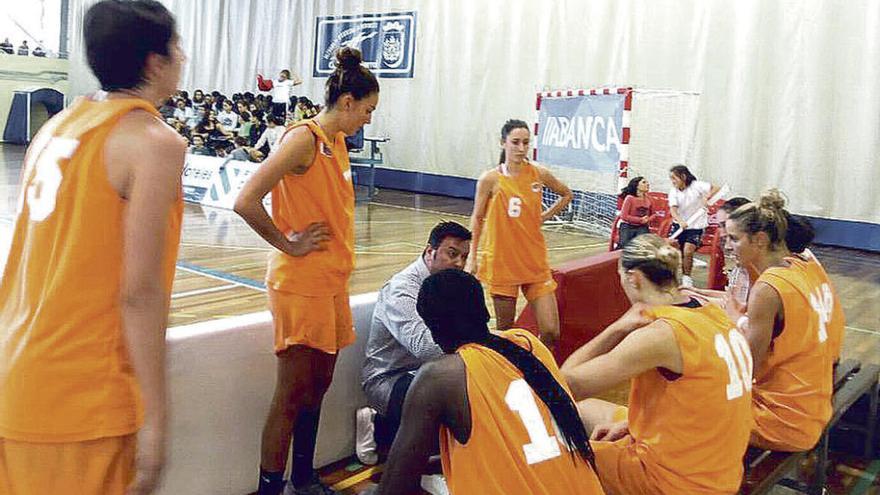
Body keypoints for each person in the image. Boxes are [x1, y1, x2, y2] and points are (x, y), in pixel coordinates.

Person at [0, 1, 186, 494]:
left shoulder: (55, 127)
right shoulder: (154, 143)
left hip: (15, 375)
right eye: (177, 46)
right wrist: (157, 419)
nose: (183, 57)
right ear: (154, 62)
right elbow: (139, 293)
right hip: (81, 396)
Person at [234, 46, 379, 495]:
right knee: (291, 394)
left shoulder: (336, 143)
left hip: (331, 285)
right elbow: (245, 200)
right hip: (300, 286)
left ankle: (304, 477)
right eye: (368, 110)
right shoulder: (303, 139)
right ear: (348, 102)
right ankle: (270, 487)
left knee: (318, 387)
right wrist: (287, 243)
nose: (370, 120)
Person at [374, 269, 604, 495]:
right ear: (484, 312)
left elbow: (395, 488)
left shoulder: (441, 376)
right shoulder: (527, 344)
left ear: (432, 328)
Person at [561, 233, 752, 494]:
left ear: (634, 279)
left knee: (551, 456)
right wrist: (633, 425)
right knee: (587, 409)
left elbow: (566, 384)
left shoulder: (660, 333)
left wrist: (615, 329)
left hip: (678, 482)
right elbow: (701, 398)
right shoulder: (712, 311)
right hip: (719, 465)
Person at [723, 190, 844, 452]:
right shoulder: (802, 266)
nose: (726, 246)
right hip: (812, 406)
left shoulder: (767, 288)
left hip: (782, 420)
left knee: (684, 404)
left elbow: (746, 370)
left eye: (733, 239)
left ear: (760, 240)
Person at [358, 222, 472, 463]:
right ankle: (377, 423)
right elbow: (424, 347)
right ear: (429, 251)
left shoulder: (449, 284)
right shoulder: (402, 290)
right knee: (451, 398)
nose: (460, 264)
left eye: (464, 257)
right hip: (388, 378)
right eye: (452, 254)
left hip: (426, 373)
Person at [465, 119, 572, 349]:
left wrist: (544, 216)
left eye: (525, 142)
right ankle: (507, 376)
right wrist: (473, 256)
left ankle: (541, 375)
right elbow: (477, 218)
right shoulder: (490, 179)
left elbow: (566, 194)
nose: (521, 148)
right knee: (506, 332)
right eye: (515, 142)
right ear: (503, 143)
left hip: (533, 260)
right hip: (503, 261)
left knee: (551, 330)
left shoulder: (539, 173)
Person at [667, 164, 720, 288]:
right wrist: (680, 221)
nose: (673, 182)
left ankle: (686, 278)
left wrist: (707, 196)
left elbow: (716, 188)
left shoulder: (697, 185)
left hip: (696, 226)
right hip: (680, 225)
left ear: (683, 176)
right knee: (672, 251)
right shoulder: (673, 191)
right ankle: (670, 277)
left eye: (675, 178)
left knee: (688, 251)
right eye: (671, 179)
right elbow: (673, 211)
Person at [615, 176, 656, 249]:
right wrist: (640, 220)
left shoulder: (649, 199)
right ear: (636, 186)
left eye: (647, 182)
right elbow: (624, 216)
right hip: (627, 226)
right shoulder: (630, 198)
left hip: (642, 227)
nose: (647, 184)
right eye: (644, 182)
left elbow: (654, 214)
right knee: (624, 245)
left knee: (641, 245)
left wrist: (648, 219)